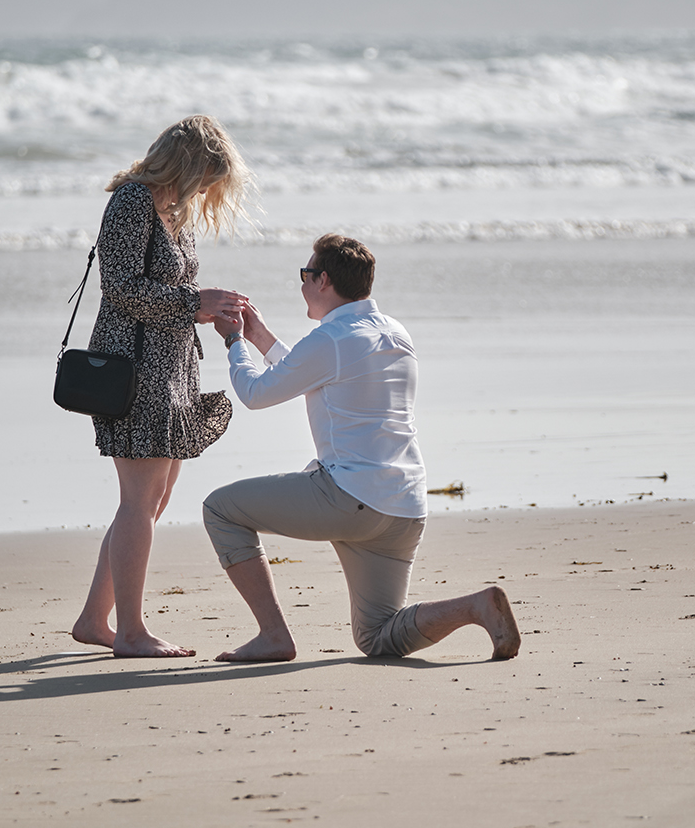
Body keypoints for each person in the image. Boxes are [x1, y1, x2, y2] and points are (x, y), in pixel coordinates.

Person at [203, 233, 520, 662]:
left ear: (323, 280)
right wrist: (260, 337)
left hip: (350, 499)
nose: (302, 284)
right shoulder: (394, 331)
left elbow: (256, 393)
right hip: (405, 507)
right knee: (377, 637)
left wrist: (234, 342)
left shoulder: (330, 339)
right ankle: (475, 607)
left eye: (305, 274)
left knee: (220, 509)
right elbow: (319, 372)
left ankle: (273, 635)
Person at [71, 116, 251, 658]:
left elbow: (168, 289)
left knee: (152, 499)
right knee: (139, 500)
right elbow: (120, 288)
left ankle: (94, 619)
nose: (209, 190)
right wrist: (196, 302)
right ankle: (130, 630)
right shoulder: (132, 201)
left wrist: (209, 309)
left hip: (171, 369)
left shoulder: (173, 208)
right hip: (133, 370)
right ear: (187, 164)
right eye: (208, 176)